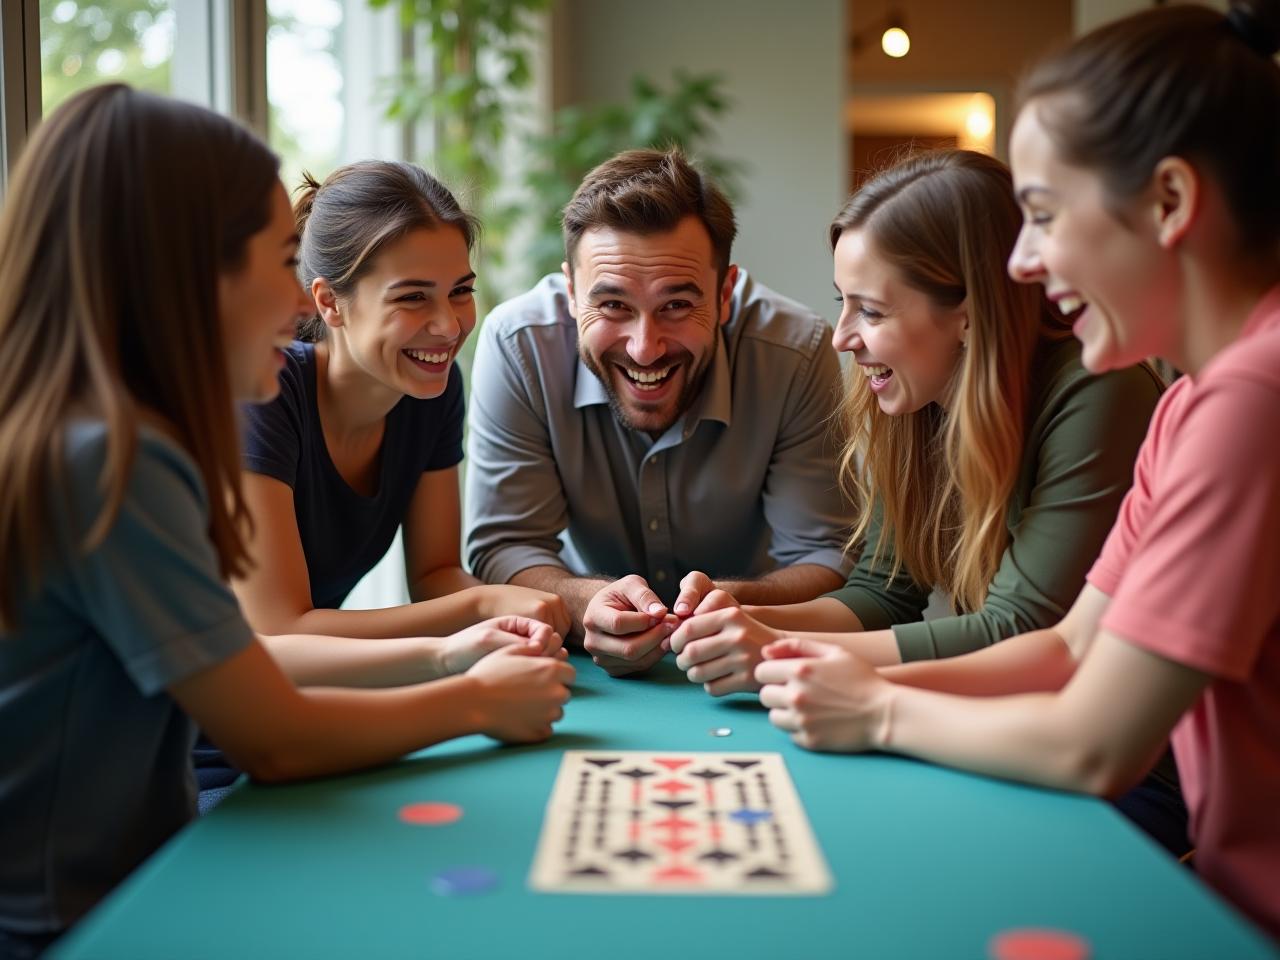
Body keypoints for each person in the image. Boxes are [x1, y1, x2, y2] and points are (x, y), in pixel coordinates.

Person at [0, 85, 574, 956]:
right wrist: (474, 697)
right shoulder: (115, 460)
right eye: (278, 263)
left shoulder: (90, 431)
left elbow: (241, 655)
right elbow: (275, 737)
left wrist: (452, 656)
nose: (298, 302)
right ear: (185, 272)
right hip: (80, 922)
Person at [755, 0, 1280, 940]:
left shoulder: (1254, 398)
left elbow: (1095, 745)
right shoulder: (1192, 403)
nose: (1025, 264)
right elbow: (1072, 648)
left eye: (1041, 216)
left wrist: (875, 710)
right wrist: (797, 648)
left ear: (1168, 202)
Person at [671, 150, 1163, 689]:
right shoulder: (920, 402)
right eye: (844, 302)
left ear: (970, 315)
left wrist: (778, 647)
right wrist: (743, 618)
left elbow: (1019, 628)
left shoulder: (1100, 393)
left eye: (872, 311)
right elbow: (882, 591)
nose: (841, 337)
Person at [464, 148, 852, 678]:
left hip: (754, 664)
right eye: (613, 306)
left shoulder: (798, 352)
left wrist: (739, 602)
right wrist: (581, 602)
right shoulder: (517, 346)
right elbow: (504, 547)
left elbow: (825, 554)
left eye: (676, 305)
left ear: (726, 292)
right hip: (580, 666)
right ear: (571, 292)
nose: (645, 349)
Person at [232, 161, 571, 640]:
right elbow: (279, 629)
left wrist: (520, 616)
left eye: (460, 291)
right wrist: (484, 602)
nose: (449, 326)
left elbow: (434, 575)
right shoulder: (264, 391)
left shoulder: (431, 388)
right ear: (329, 303)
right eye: (413, 297)